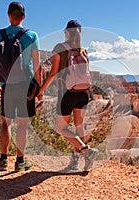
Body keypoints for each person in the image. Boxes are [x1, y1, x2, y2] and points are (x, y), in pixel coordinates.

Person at [38, 20, 98, 172]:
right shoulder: (84, 51)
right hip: (83, 93)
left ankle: (87, 151)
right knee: (79, 127)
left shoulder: (60, 48)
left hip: (67, 94)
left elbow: (53, 73)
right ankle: (76, 163)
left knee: (62, 128)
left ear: (66, 32)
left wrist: (41, 90)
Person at [0, 2, 41, 172]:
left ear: (8, 15)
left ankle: (3, 159)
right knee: (23, 124)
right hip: (26, 86)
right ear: (24, 17)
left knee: (6, 122)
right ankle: (20, 161)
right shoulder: (31, 35)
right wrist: (39, 88)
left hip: (7, 85)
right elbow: (37, 64)